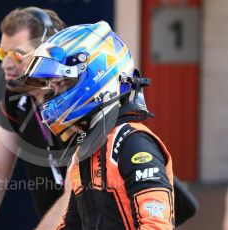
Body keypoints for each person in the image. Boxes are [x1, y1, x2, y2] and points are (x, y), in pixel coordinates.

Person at [20, 21, 175, 229]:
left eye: (62, 83)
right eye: (54, 86)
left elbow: (156, 226)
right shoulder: (86, 150)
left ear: (95, 74)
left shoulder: (133, 143)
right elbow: (72, 225)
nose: (54, 95)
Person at [0, 7, 66, 230]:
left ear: (48, 53)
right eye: (3, 54)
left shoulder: (77, 98)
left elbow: (76, 191)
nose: (6, 65)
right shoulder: (14, 94)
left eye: (16, 55)